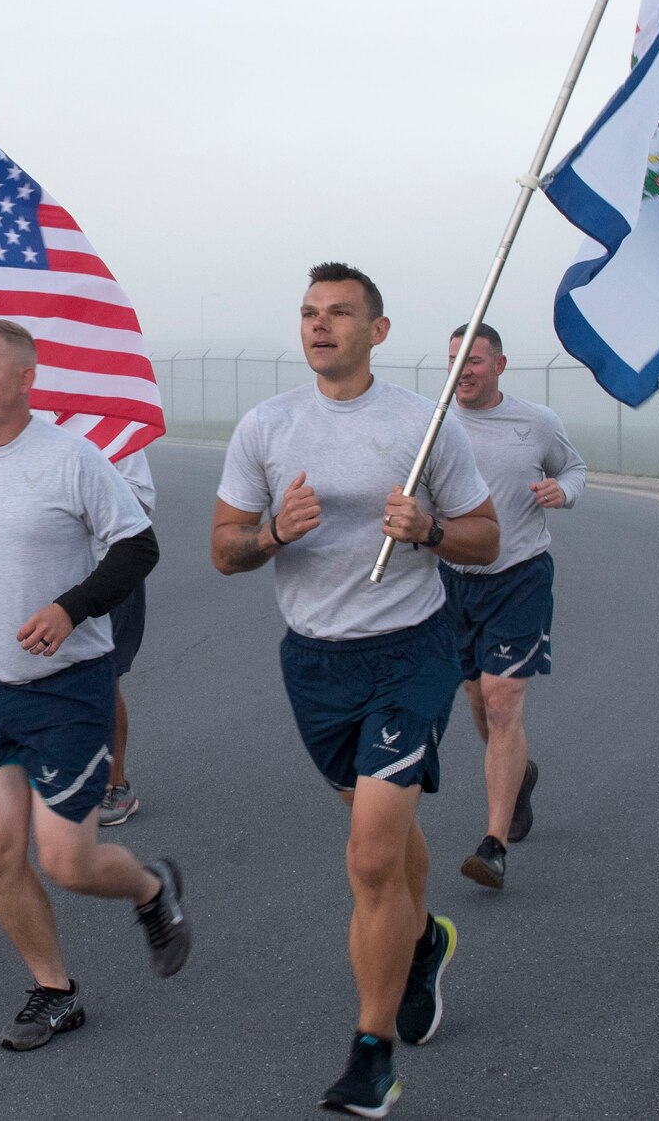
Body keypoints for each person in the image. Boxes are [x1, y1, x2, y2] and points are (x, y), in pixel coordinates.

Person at [212, 265, 498, 1117]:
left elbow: (485, 536)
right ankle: (422, 944)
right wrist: (270, 531)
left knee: (372, 852)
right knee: (383, 823)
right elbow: (224, 549)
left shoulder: (421, 423)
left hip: (409, 651)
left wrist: (432, 529)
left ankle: (370, 1056)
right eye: (308, 312)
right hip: (315, 662)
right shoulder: (266, 426)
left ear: (377, 329)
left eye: (339, 312)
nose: (319, 325)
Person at [0, 320, 189, 1052]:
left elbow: (139, 545)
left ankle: (151, 889)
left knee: (67, 860)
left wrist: (69, 606)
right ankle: (55, 989)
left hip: (67, 688)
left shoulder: (73, 459)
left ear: (25, 379)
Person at [442, 325, 587, 890]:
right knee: (478, 703)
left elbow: (574, 469)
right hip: (453, 579)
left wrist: (563, 491)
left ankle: (493, 844)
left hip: (519, 577)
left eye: (474, 361)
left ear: (500, 365)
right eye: (455, 361)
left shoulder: (537, 423)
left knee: (502, 703)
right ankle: (519, 774)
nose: (464, 372)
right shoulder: (433, 423)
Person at [98, 450, 153, 827]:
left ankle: (115, 785)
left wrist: (83, 490)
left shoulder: (115, 423)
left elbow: (141, 499)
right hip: (54, 572)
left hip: (110, 570)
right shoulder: (35, 422)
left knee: (103, 677)